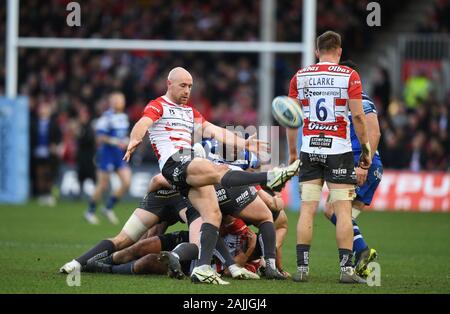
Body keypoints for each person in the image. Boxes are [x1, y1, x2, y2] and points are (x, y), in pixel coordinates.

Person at [123, 67, 300, 284]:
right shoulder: (159, 105)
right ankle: (270, 178)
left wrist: (243, 142)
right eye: (182, 85)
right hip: (175, 161)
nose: (187, 90)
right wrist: (135, 139)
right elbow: (143, 123)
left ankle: (202, 268)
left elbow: (214, 130)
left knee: (213, 216)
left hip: (187, 168)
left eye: (190, 86)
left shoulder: (190, 112)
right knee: (221, 171)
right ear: (169, 84)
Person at [287, 31, 371, 283]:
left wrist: (293, 152)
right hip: (339, 152)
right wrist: (366, 150)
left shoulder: (300, 77)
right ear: (339, 51)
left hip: (310, 150)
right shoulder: (350, 76)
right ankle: (346, 271)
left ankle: (301, 269)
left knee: (307, 210)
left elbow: (291, 118)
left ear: (316, 51)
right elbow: (358, 117)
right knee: (343, 211)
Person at [323, 60, 381, 278]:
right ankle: (359, 261)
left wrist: (363, 165)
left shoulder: (362, 101)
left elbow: (374, 134)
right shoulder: (344, 102)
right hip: (365, 165)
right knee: (346, 219)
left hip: (362, 165)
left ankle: (362, 251)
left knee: (332, 211)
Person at [84, 92, 131, 225]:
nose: (119, 102)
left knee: (126, 182)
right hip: (107, 154)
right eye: (116, 100)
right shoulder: (106, 117)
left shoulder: (123, 117)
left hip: (118, 154)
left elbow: (122, 135)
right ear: (111, 102)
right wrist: (114, 141)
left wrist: (126, 140)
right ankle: (90, 211)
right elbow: (99, 137)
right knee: (103, 185)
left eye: (121, 100)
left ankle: (108, 207)